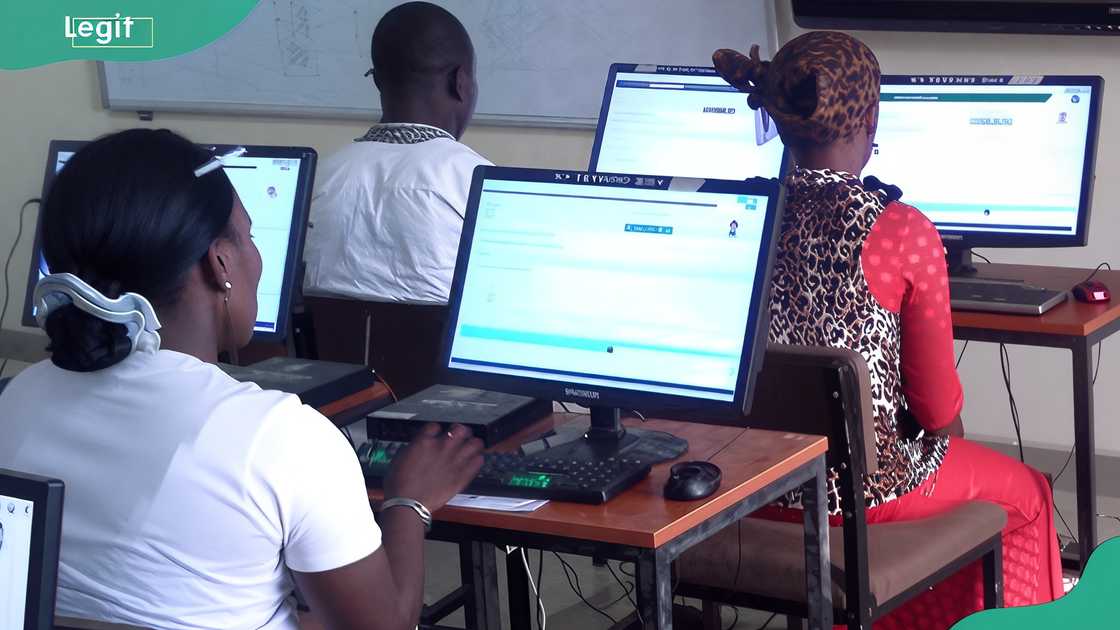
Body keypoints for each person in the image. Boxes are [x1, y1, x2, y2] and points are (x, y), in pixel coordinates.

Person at [0, 129, 484, 630]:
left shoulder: (17, 401)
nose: (256, 255)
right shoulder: (280, 437)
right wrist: (409, 503)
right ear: (220, 262)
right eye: (249, 236)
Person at [709, 32, 1062, 628]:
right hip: (863, 497)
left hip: (747, 484)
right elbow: (934, 406)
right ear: (869, 119)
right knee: (1028, 495)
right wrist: (952, 451)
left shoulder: (732, 216)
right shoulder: (900, 230)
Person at [302, 1, 491, 306]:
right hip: (442, 354)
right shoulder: (481, 186)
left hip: (322, 355)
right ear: (461, 82)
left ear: (377, 80)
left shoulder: (317, 180)